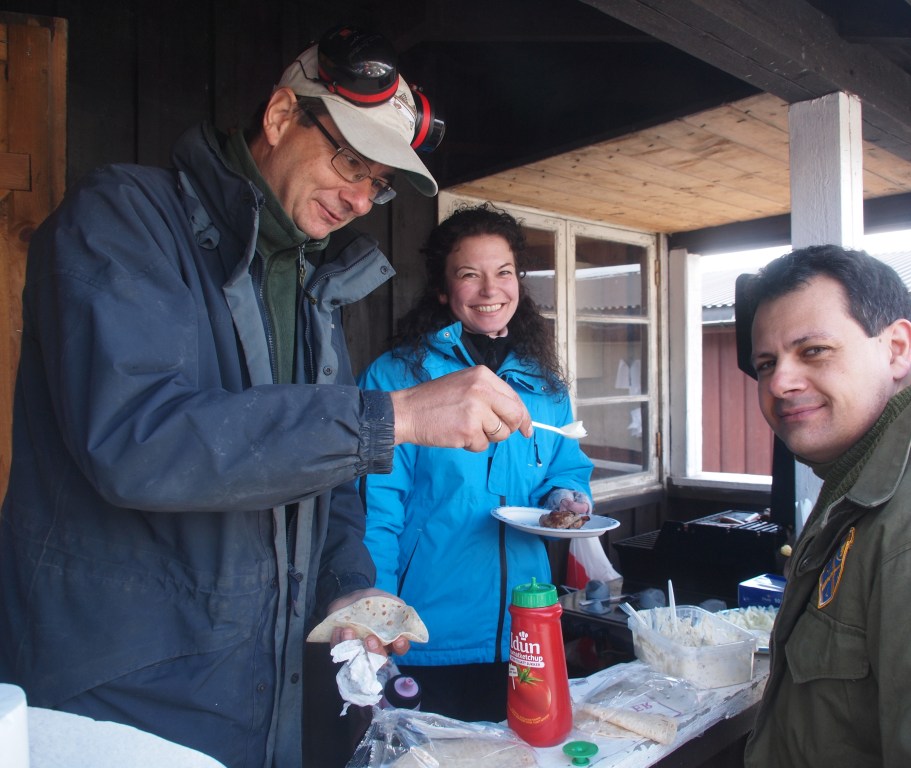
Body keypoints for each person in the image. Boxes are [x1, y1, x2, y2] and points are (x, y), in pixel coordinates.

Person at [0, 25, 532, 768]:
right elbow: (135, 439)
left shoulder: (314, 292)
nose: (359, 197)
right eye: (350, 160)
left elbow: (335, 484)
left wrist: (349, 590)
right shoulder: (123, 217)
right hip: (119, 705)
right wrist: (398, 415)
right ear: (281, 117)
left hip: (265, 696)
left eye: (378, 183)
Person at [739, 244, 911, 767]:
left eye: (814, 350)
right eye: (766, 363)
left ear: (895, 348)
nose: (780, 381)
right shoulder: (870, 471)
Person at [358, 203, 594, 721]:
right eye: (470, 275)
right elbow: (377, 507)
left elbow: (565, 465)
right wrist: (379, 612)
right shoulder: (398, 377)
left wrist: (567, 496)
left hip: (527, 622)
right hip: (425, 628)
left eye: (503, 272)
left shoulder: (543, 381)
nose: (491, 290)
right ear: (444, 290)